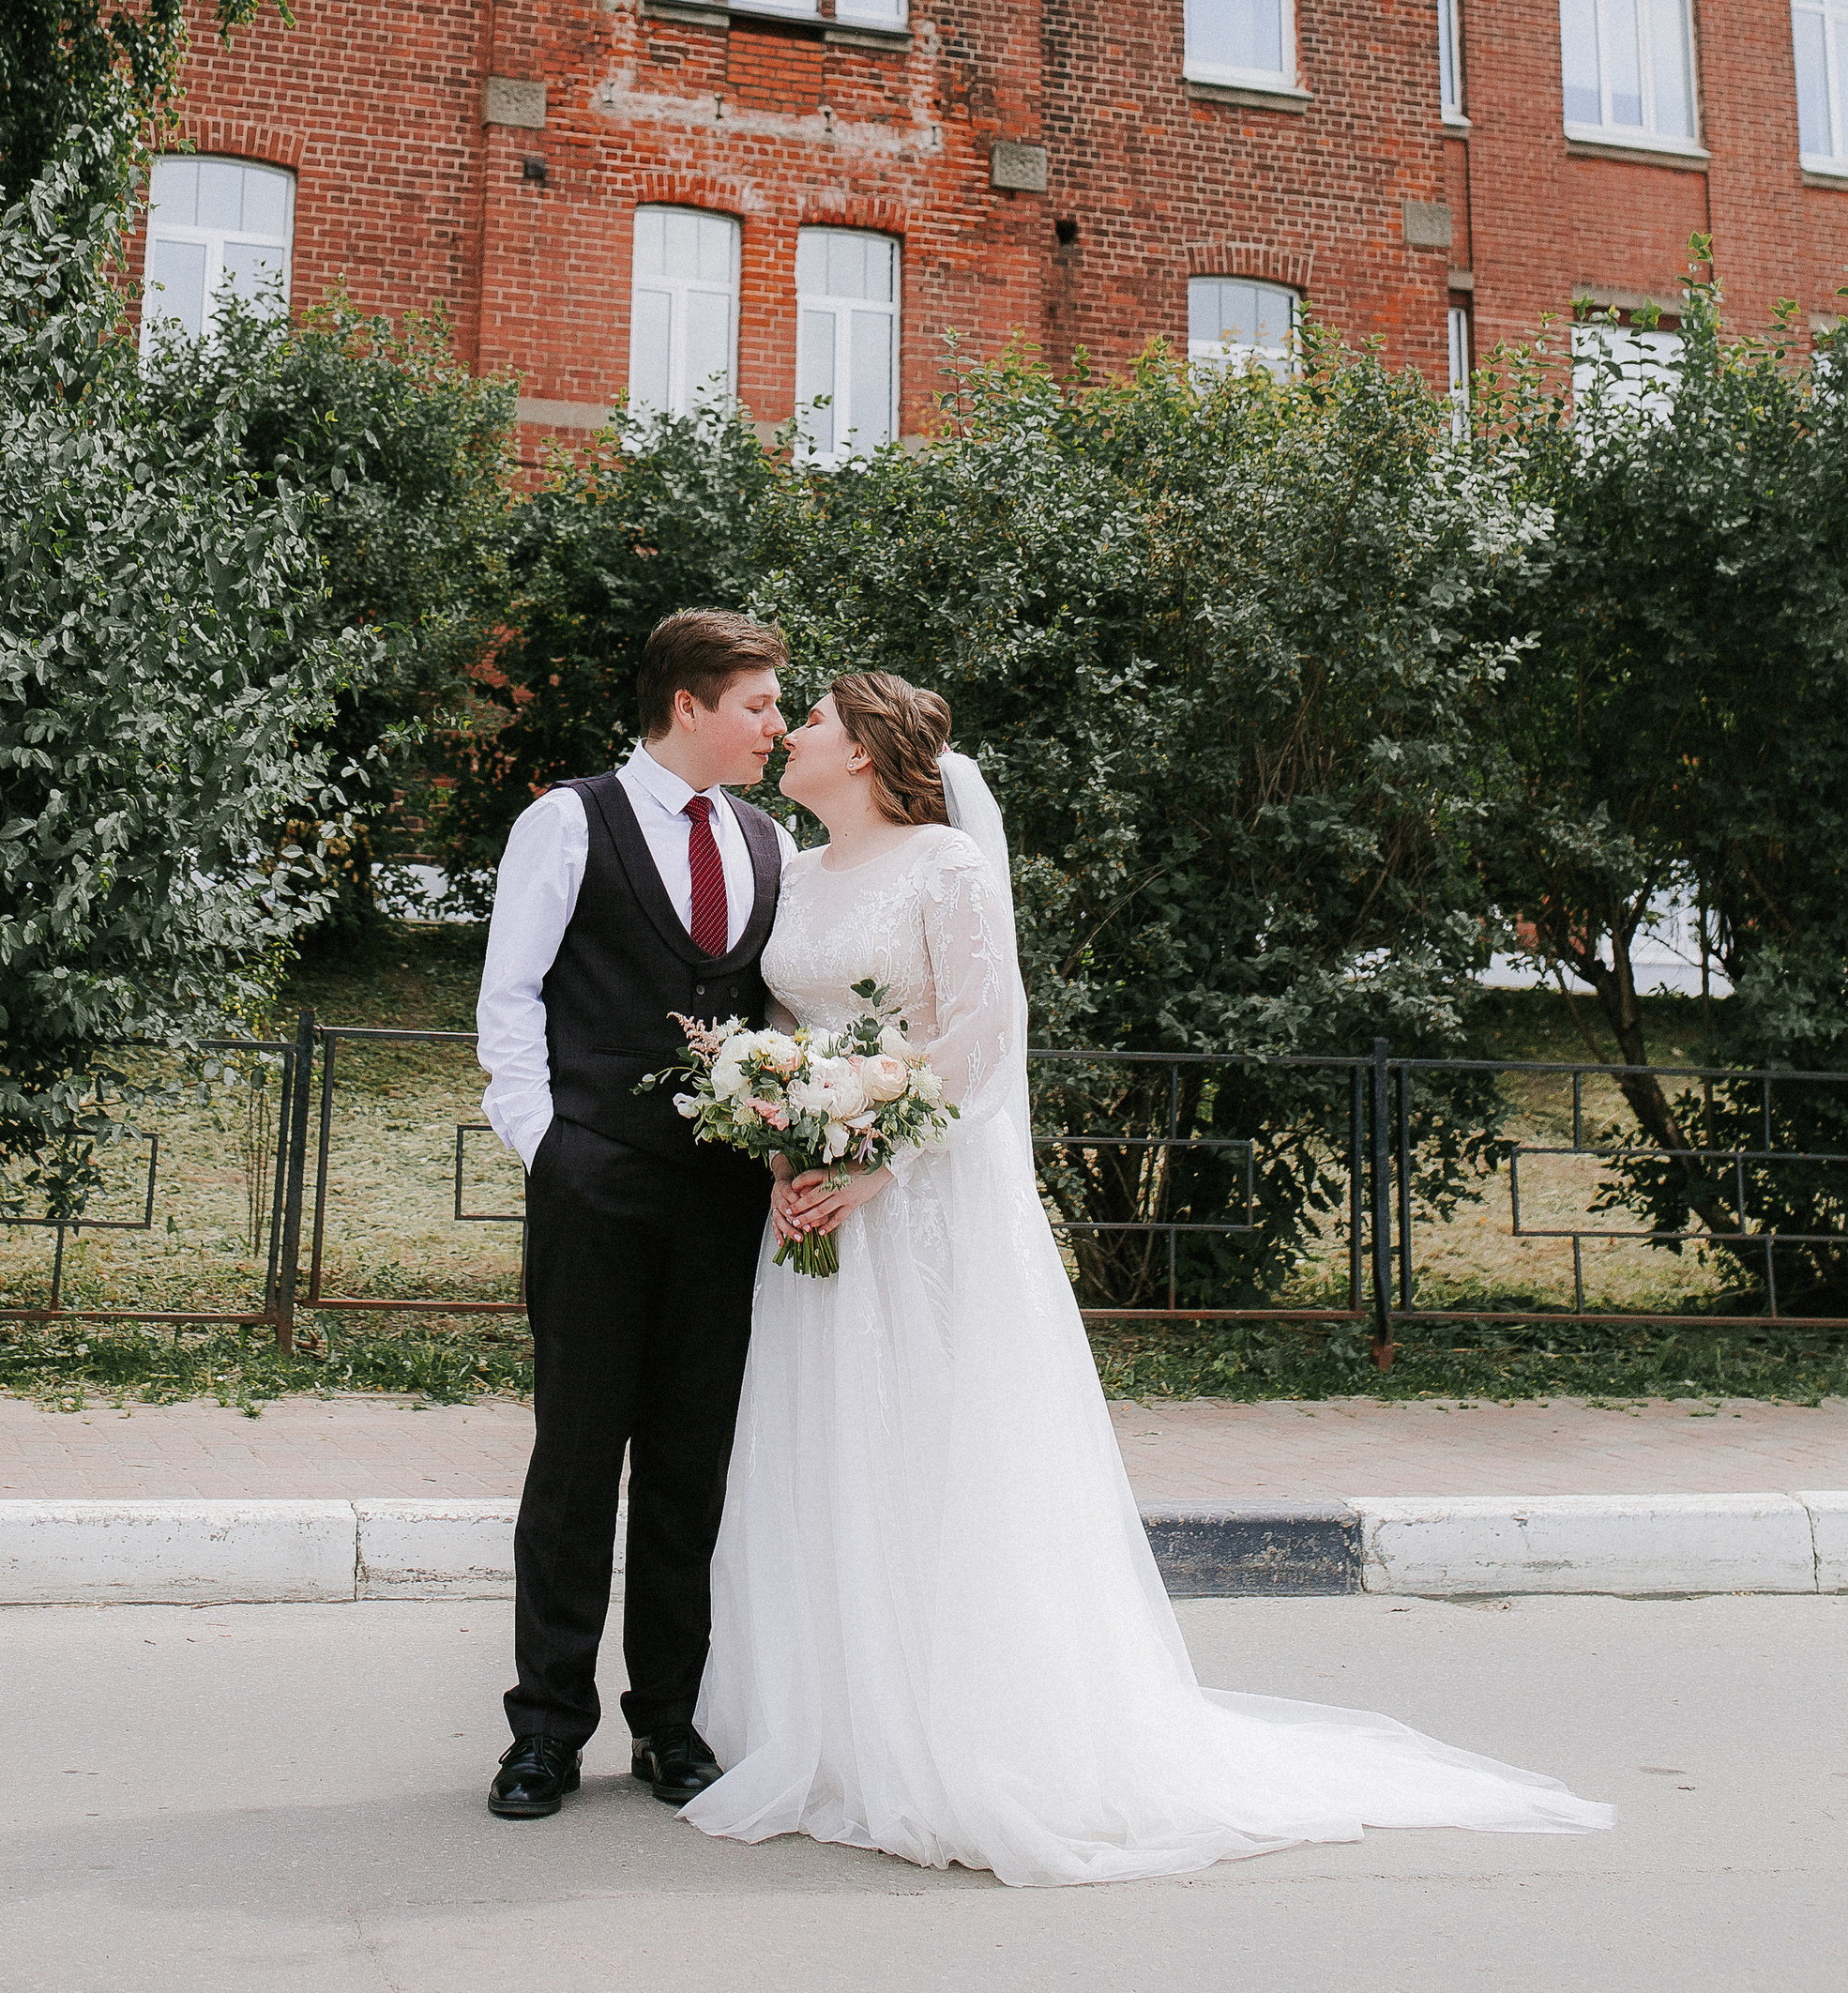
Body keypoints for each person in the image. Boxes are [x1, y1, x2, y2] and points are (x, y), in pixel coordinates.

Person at [683, 672, 1616, 1887]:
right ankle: (827, 1724)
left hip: (917, 1210)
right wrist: (785, 1137)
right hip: (811, 1212)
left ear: (861, 752)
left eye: (809, 719)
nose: (790, 733)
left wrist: (874, 1163)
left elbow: (980, 1038)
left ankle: (959, 1731)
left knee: (931, 1450)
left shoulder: (946, 869)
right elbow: (780, 1036)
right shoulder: (793, 876)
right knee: (827, 1450)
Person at [474, 605, 796, 1822]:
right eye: (759, 705)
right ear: (691, 705)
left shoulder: (766, 841)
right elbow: (508, 1000)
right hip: (594, 1187)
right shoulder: (567, 822)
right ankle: (546, 1729)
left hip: (722, 1207)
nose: (773, 724)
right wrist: (551, 1152)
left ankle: (670, 1723)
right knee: (575, 1460)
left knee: (689, 1466)